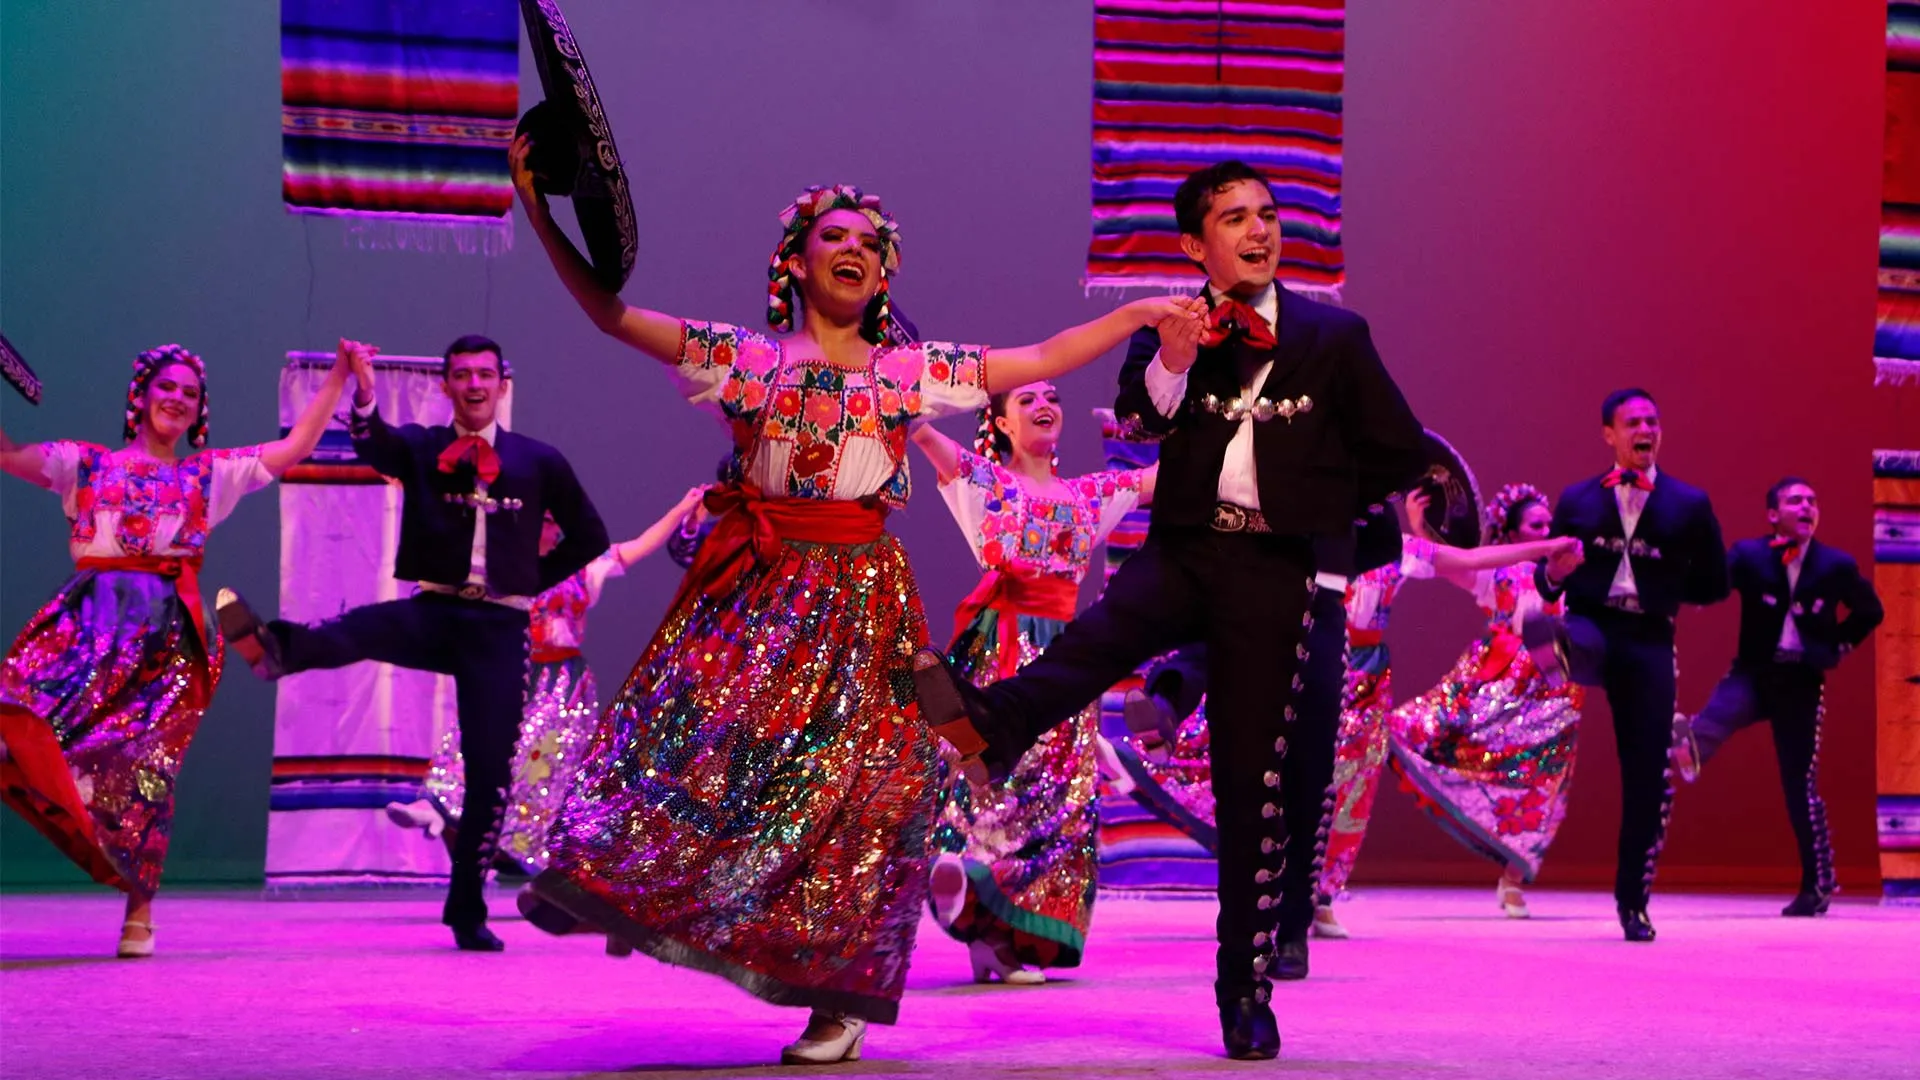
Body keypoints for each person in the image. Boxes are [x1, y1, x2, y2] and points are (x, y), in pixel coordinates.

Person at [509, 128, 1195, 1064]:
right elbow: (614, 317)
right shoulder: (745, 359)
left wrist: (1135, 317)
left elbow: (1038, 351)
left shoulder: (909, 375)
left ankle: (839, 1004)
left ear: (883, 276)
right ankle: (643, 889)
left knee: (870, 796)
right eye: (836, 236)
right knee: (706, 759)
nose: (855, 250)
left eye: (871, 245)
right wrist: (543, 215)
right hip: (756, 599)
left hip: (866, 600)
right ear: (794, 259)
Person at [912, 159, 1427, 1061]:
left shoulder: (1336, 336)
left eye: (1266, 214)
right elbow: (1140, 425)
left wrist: (1319, 507)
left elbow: (1398, 450)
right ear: (1197, 244)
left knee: (1248, 786)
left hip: (1274, 566)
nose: (1260, 230)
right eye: (1235, 218)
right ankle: (990, 722)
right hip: (1188, 546)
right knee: (1094, 642)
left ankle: (1245, 989)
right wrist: (1177, 362)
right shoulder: (1168, 333)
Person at [217, 335, 609, 953]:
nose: (474, 385)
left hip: (499, 630)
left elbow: (590, 535)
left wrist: (531, 578)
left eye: (485, 375)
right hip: (437, 610)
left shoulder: (539, 460)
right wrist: (366, 394)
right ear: (446, 385)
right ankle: (279, 651)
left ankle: (467, 910)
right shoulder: (426, 447)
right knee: (363, 627)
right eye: (461, 375)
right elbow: (378, 445)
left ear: (501, 387)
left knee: (488, 775)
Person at [0, 340, 352, 957]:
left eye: (190, 394)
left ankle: (140, 911)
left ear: (199, 411)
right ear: (140, 396)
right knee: (13, 722)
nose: (178, 400)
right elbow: (5, 454)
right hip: (85, 625)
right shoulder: (82, 464)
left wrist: (340, 377)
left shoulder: (206, 476)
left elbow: (293, 449)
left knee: (142, 773)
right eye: (168, 387)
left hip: (165, 638)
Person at [911, 382, 1156, 986]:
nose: (1046, 402)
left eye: (1053, 395)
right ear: (1000, 423)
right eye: (1026, 399)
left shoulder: (1089, 494)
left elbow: (1158, 478)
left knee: (1059, 798)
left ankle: (1005, 934)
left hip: (1068, 661)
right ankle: (967, 882)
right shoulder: (985, 484)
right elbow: (917, 430)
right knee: (993, 782)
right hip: (1002, 650)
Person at [386, 487, 710, 874]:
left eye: (553, 521)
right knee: (471, 737)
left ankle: (526, 851)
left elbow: (639, 546)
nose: (548, 527)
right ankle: (436, 806)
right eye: (542, 520)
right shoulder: (501, 569)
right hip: (511, 672)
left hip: (562, 686)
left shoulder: (584, 567)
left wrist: (680, 508)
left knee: (538, 764)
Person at [1527, 388, 1729, 942]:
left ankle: (1632, 902)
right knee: (1582, 636)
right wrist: (1557, 577)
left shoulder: (1688, 503)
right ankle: (1558, 650)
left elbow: (1716, 584)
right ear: (1609, 435)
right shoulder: (1577, 500)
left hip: (1649, 637)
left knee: (1646, 773)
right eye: (1633, 422)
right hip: (1595, 623)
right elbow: (1549, 577)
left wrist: (1666, 578)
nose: (1646, 429)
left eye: (1653, 421)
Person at [1672, 477, 1883, 916]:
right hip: (1754, 671)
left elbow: (1870, 611)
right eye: (1795, 501)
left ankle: (1816, 885)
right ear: (1773, 515)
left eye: (1812, 500)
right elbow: (1716, 583)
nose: (1806, 506)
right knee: (1716, 716)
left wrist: (1838, 645)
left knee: (1798, 786)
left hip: (1801, 681)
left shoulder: (1834, 564)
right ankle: (1689, 749)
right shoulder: (1751, 555)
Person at [1388, 483, 1586, 919]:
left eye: (1549, 524)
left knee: (1541, 785)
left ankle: (1513, 878)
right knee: (1411, 728)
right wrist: (1420, 527)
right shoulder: (1495, 574)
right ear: (1512, 535)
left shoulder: (1571, 574)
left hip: (1552, 692)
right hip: (1496, 686)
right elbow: (1443, 562)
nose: (1547, 530)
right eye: (1536, 526)